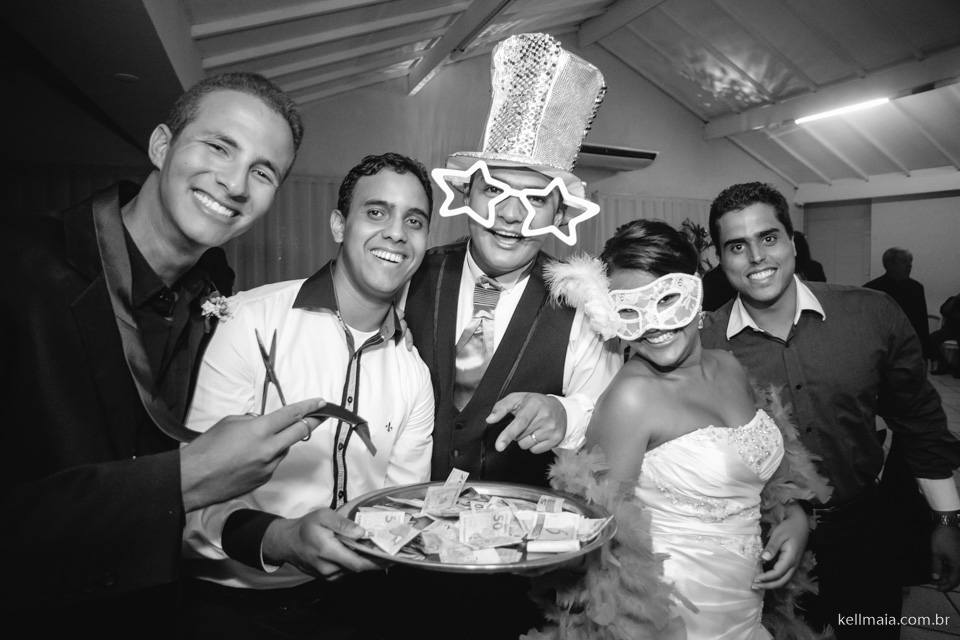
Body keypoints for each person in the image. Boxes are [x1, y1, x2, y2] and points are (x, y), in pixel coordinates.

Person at [0, 72, 332, 636]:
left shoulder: (214, 293)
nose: (235, 183)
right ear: (161, 145)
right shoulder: (17, 266)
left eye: (263, 172)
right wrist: (189, 475)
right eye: (219, 146)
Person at [397, 33, 622, 638]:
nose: (511, 215)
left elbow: (610, 415)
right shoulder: (410, 275)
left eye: (535, 199)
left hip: (520, 571)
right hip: (403, 557)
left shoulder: (578, 308)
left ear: (560, 214)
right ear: (466, 193)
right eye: (495, 190)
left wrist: (564, 412)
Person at [180, 153, 436, 639]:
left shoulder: (414, 373)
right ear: (339, 224)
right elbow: (185, 495)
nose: (397, 233)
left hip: (354, 608)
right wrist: (281, 538)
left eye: (414, 221)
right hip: (230, 608)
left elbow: (401, 506)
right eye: (376, 212)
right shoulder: (248, 322)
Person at [700, 182, 960, 639]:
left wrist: (946, 516)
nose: (757, 257)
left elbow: (918, 417)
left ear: (792, 242)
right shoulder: (706, 343)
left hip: (865, 529)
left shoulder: (870, 314)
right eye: (737, 246)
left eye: (768, 237)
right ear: (721, 259)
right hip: (760, 542)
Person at [573, 219, 816, 639]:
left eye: (667, 299)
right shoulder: (632, 398)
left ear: (696, 290)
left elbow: (761, 478)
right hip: (674, 619)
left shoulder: (729, 365)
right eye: (629, 310)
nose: (653, 324)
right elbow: (599, 541)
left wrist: (794, 515)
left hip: (748, 606)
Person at [864, 247, 929, 359]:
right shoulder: (872, 289)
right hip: (881, 347)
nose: (910, 265)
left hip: (909, 348)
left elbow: (921, 322)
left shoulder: (916, 288)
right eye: (904, 262)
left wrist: (925, 351)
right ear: (889, 265)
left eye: (910, 261)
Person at [930, 292, 960, 376]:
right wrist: (956, 299)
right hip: (949, 329)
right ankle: (944, 364)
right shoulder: (953, 299)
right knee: (930, 339)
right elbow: (944, 310)